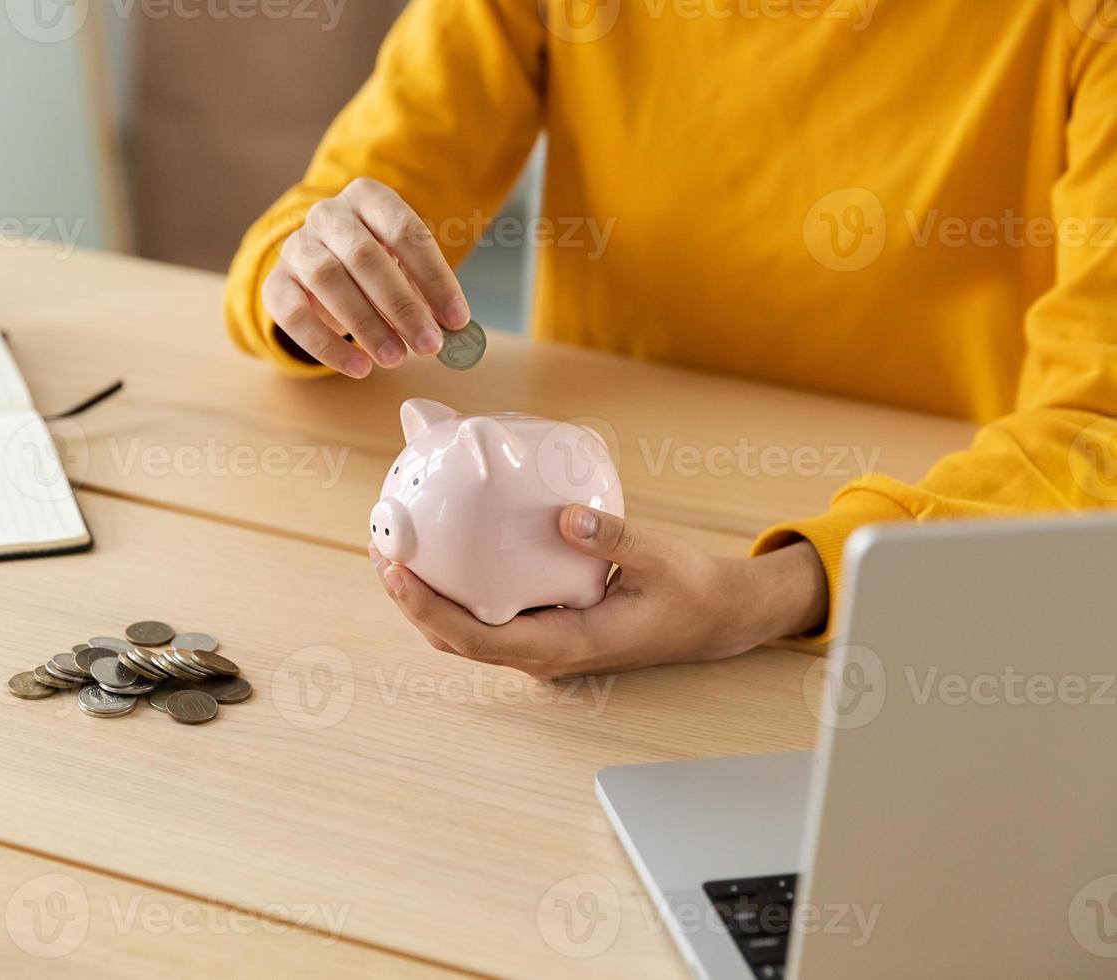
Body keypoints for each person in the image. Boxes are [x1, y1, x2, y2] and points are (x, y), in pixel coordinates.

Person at [223, 0, 1117, 677]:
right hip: (613, 539)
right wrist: (311, 286)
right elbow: (341, 206)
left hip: (937, 607)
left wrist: (767, 597)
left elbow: (1098, 426)